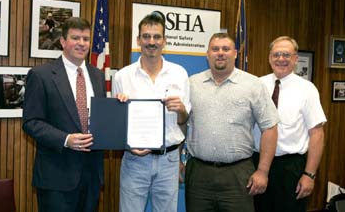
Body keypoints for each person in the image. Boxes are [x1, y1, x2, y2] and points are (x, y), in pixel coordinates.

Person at [185, 33, 279, 212]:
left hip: (238, 174)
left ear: (235, 53)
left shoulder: (253, 85)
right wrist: (178, 162)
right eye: (215, 49)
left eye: (226, 49)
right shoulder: (192, 84)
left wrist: (263, 171)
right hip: (198, 174)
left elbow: (270, 128)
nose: (220, 53)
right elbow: (181, 121)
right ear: (207, 54)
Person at [22, 17, 105, 212]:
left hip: (91, 176)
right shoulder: (41, 75)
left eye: (85, 39)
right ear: (62, 41)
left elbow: (100, 118)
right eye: (75, 38)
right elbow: (31, 122)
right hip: (56, 177)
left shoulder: (98, 76)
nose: (81, 43)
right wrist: (66, 139)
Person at [113, 12, 191, 212]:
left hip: (169, 159)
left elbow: (184, 120)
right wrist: (128, 146)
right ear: (138, 40)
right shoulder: (123, 76)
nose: (151, 41)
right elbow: (118, 124)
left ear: (165, 41)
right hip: (134, 160)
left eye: (157, 37)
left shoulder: (179, 73)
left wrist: (181, 109)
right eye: (146, 36)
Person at [253, 36, 327, 212]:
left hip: (290, 168)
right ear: (269, 57)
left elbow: (317, 133)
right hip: (256, 163)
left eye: (286, 54)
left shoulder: (307, 89)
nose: (281, 59)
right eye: (276, 54)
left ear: (295, 59)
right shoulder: (257, 84)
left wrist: (309, 175)